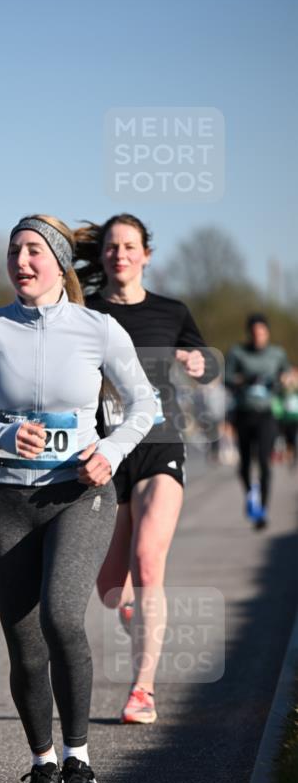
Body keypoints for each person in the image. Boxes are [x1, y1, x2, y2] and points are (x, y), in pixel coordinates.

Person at [0, 215, 154, 783]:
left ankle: (78, 761)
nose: (21, 261)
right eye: (14, 251)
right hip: (7, 502)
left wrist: (110, 452)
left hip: (79, 495)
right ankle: (42, 767)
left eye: (34, 250)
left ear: (59, 263)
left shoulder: (98, 328)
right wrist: (2, 433)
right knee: (24, 642)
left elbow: (145, 404)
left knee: (62, 616)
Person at [77, 214, 218, 725]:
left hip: (160, 443)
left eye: (129, 246)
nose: (120, 254)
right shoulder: (85, 311)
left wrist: (201, 363)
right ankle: (139, 617)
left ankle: (142, 690)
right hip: (106, 452)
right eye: (112, 246)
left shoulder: (170, 311)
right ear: (103, 255)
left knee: (148, 560)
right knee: (111, 589)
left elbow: (206, 359)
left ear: (146, 255)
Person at [225, 314, 290, 527]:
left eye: (262, 333)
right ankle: (250, 495)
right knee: (245, 464)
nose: (258, 337)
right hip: (244, 413)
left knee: (264, 462)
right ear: (249, 334)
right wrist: (243, 380)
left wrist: (282, 380)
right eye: (254, 333)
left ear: (267, 333)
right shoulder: (237, 352)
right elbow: (226, 378)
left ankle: (262, 509)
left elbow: (287, 375)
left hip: (267, 414)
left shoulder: (277, 353)